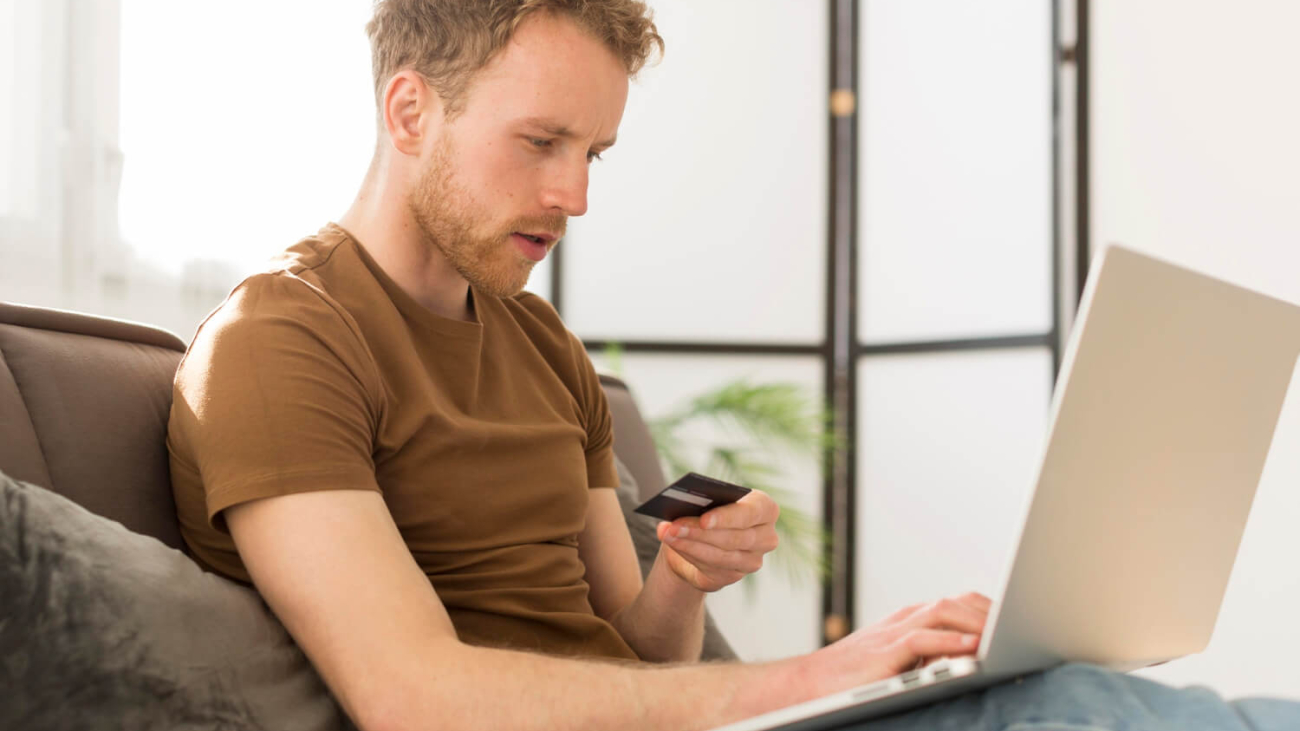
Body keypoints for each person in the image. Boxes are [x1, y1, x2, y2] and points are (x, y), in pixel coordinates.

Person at [166, 2, 1298, 730]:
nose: (576, 196)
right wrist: (813, 674)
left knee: (1089, 702)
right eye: (540, 142)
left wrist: (677, 583)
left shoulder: (540, 344)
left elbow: (632, 651)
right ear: (408, 108)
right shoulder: (282, 341)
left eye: (594, 152)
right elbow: (408, 693)